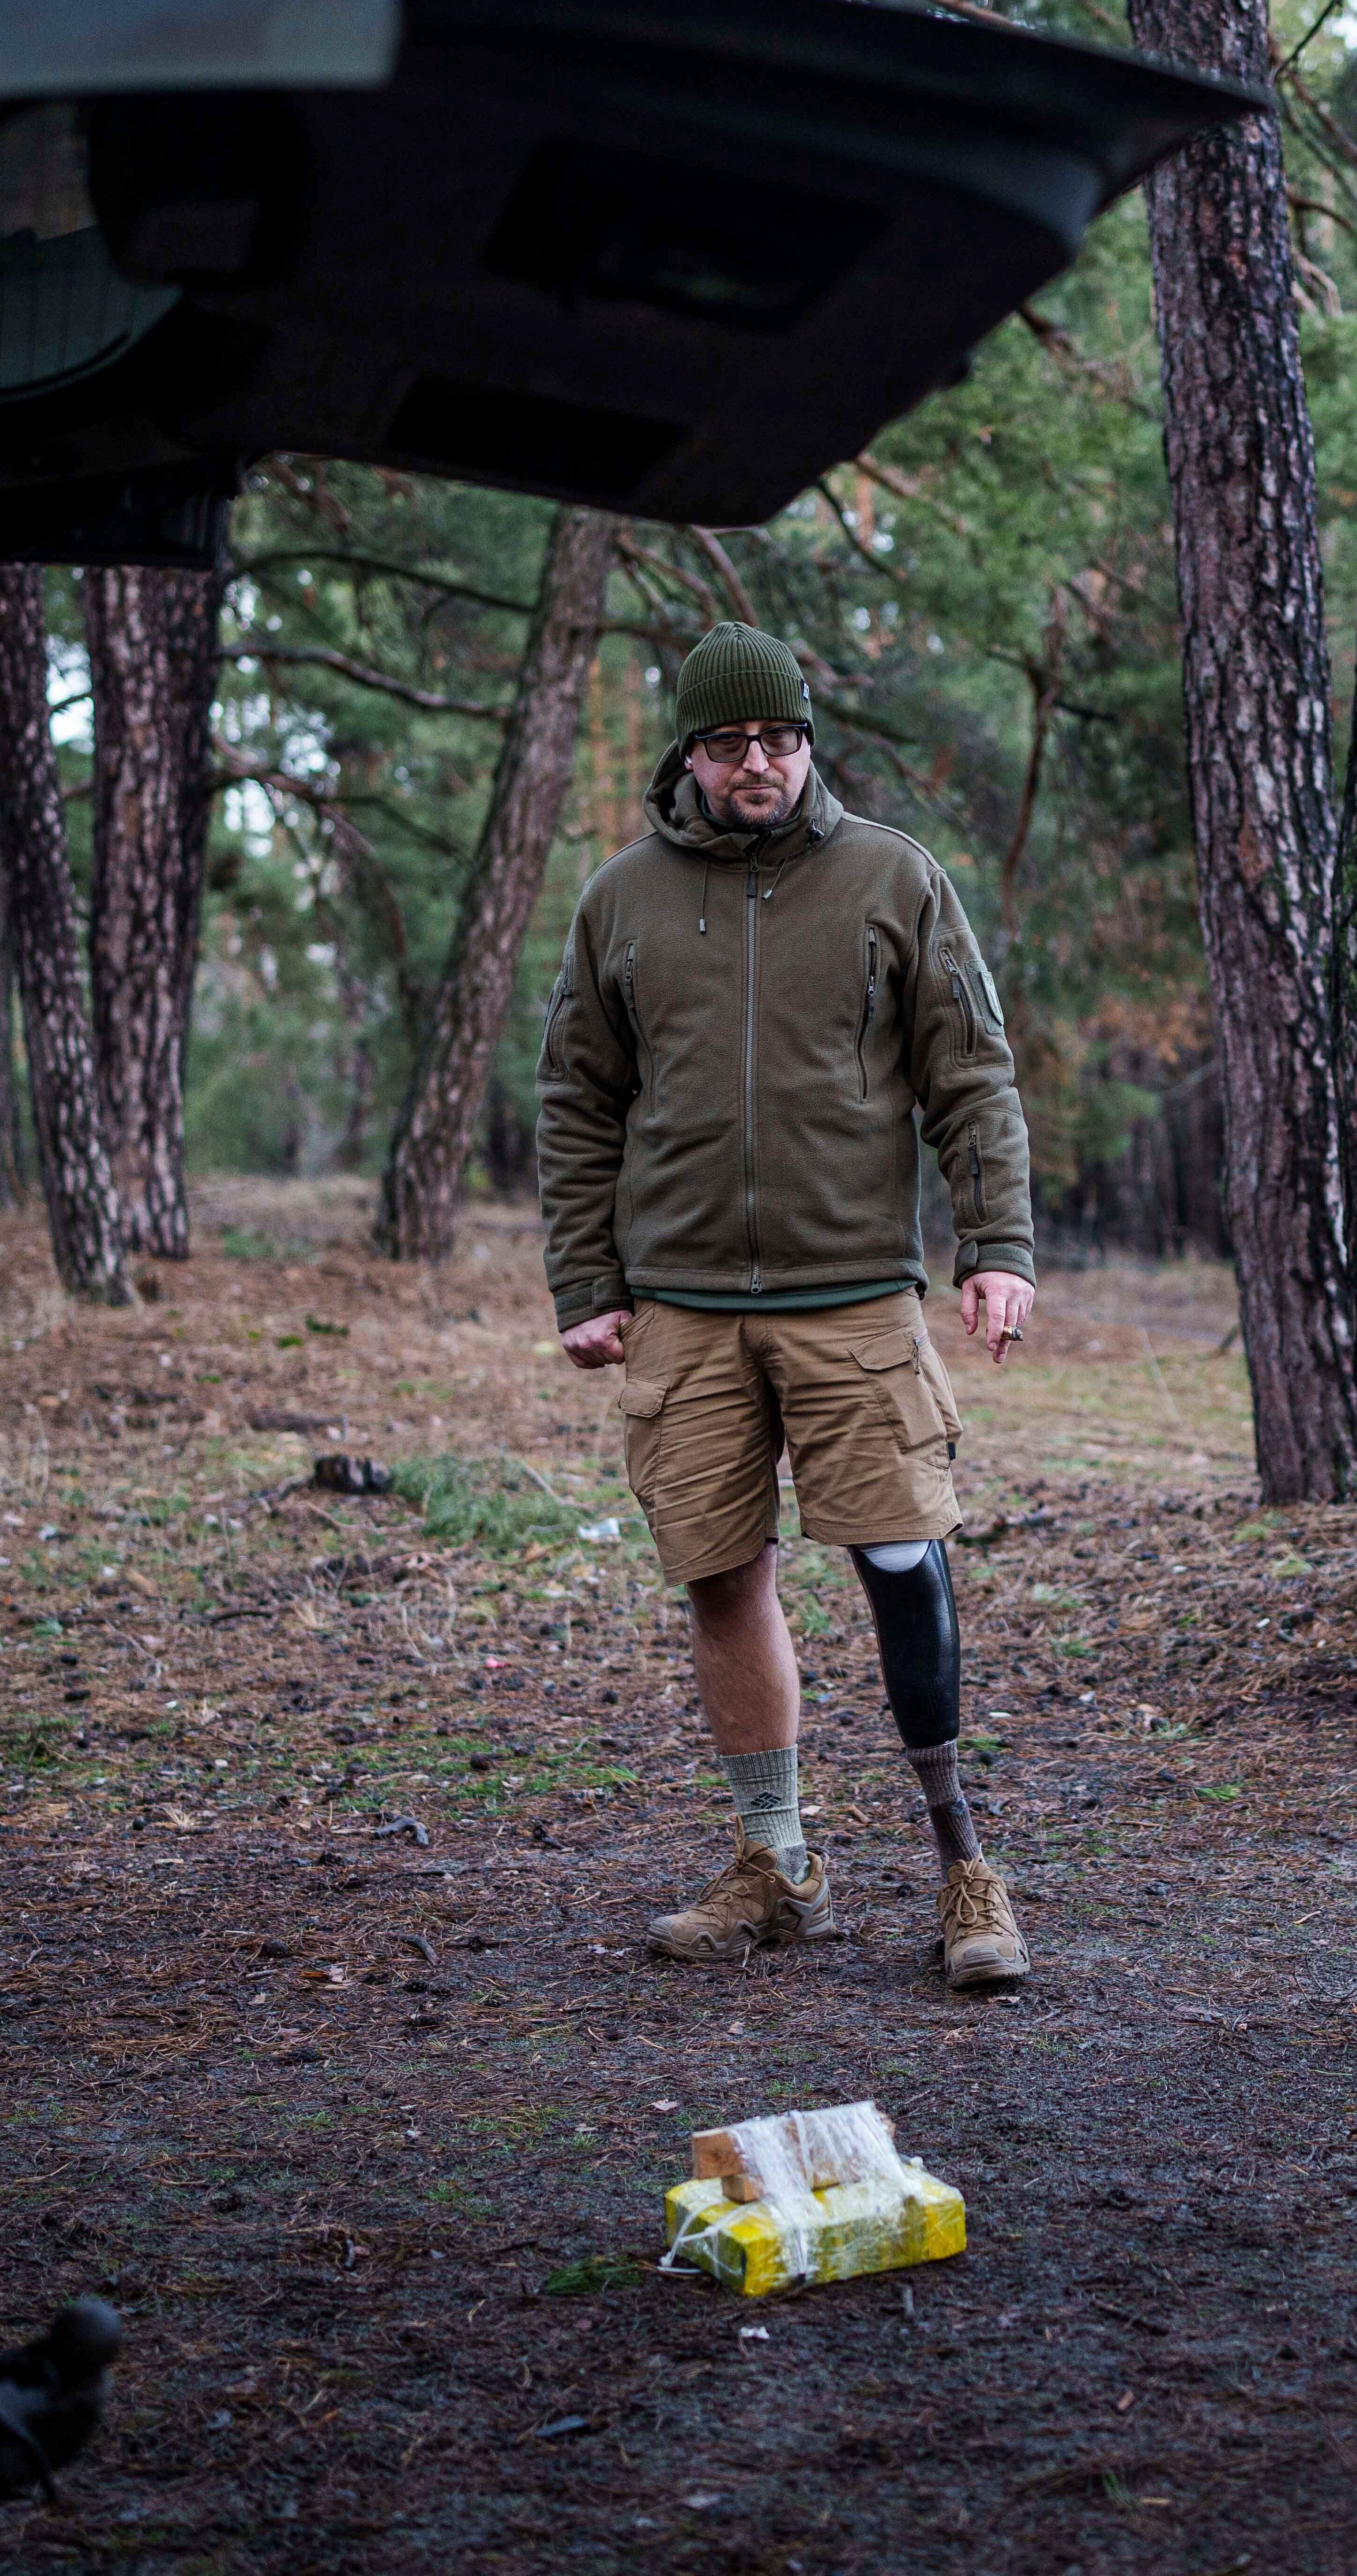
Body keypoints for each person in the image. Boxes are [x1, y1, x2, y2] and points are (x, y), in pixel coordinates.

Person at [538, 621, 1041, 1992]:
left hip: (854, 1296)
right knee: (719, 1569)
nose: (754, 764)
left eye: (777, 739)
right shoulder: (623, 900)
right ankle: (778, 1861)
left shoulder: (893, 878)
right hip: (684, 1306)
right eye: (726, 742)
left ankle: (960, 1863)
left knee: (898, 1559)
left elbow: (972, 1077)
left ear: (807, 743)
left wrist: (998, 1246)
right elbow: (579, 1098)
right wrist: (587, 1282)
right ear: (688, 754)